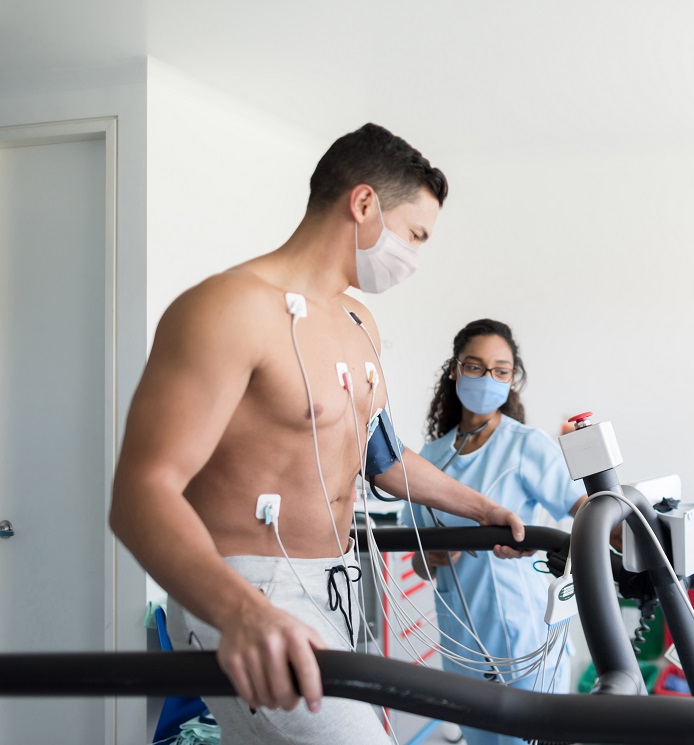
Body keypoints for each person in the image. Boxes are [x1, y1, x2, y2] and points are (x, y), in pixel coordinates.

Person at [109, 124, 527, 744]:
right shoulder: (228, 309)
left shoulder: (358, 321)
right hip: (251, 589)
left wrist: (483, 511)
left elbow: (382, 459)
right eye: (414, 235)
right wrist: (241, 611)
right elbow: (141, 494)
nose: (414, 256)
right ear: (363, 205)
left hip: (337, 583)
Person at [400, 319, 585, 745]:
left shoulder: (526, 446)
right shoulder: (426, 460)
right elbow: (417, 560)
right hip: (461, 638)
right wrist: (432, 557)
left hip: (527, 633)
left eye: (501, 370)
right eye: (476, 366)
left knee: (533, 735)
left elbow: (584, 511)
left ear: (512, 379)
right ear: (454, 370)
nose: (488, 378)